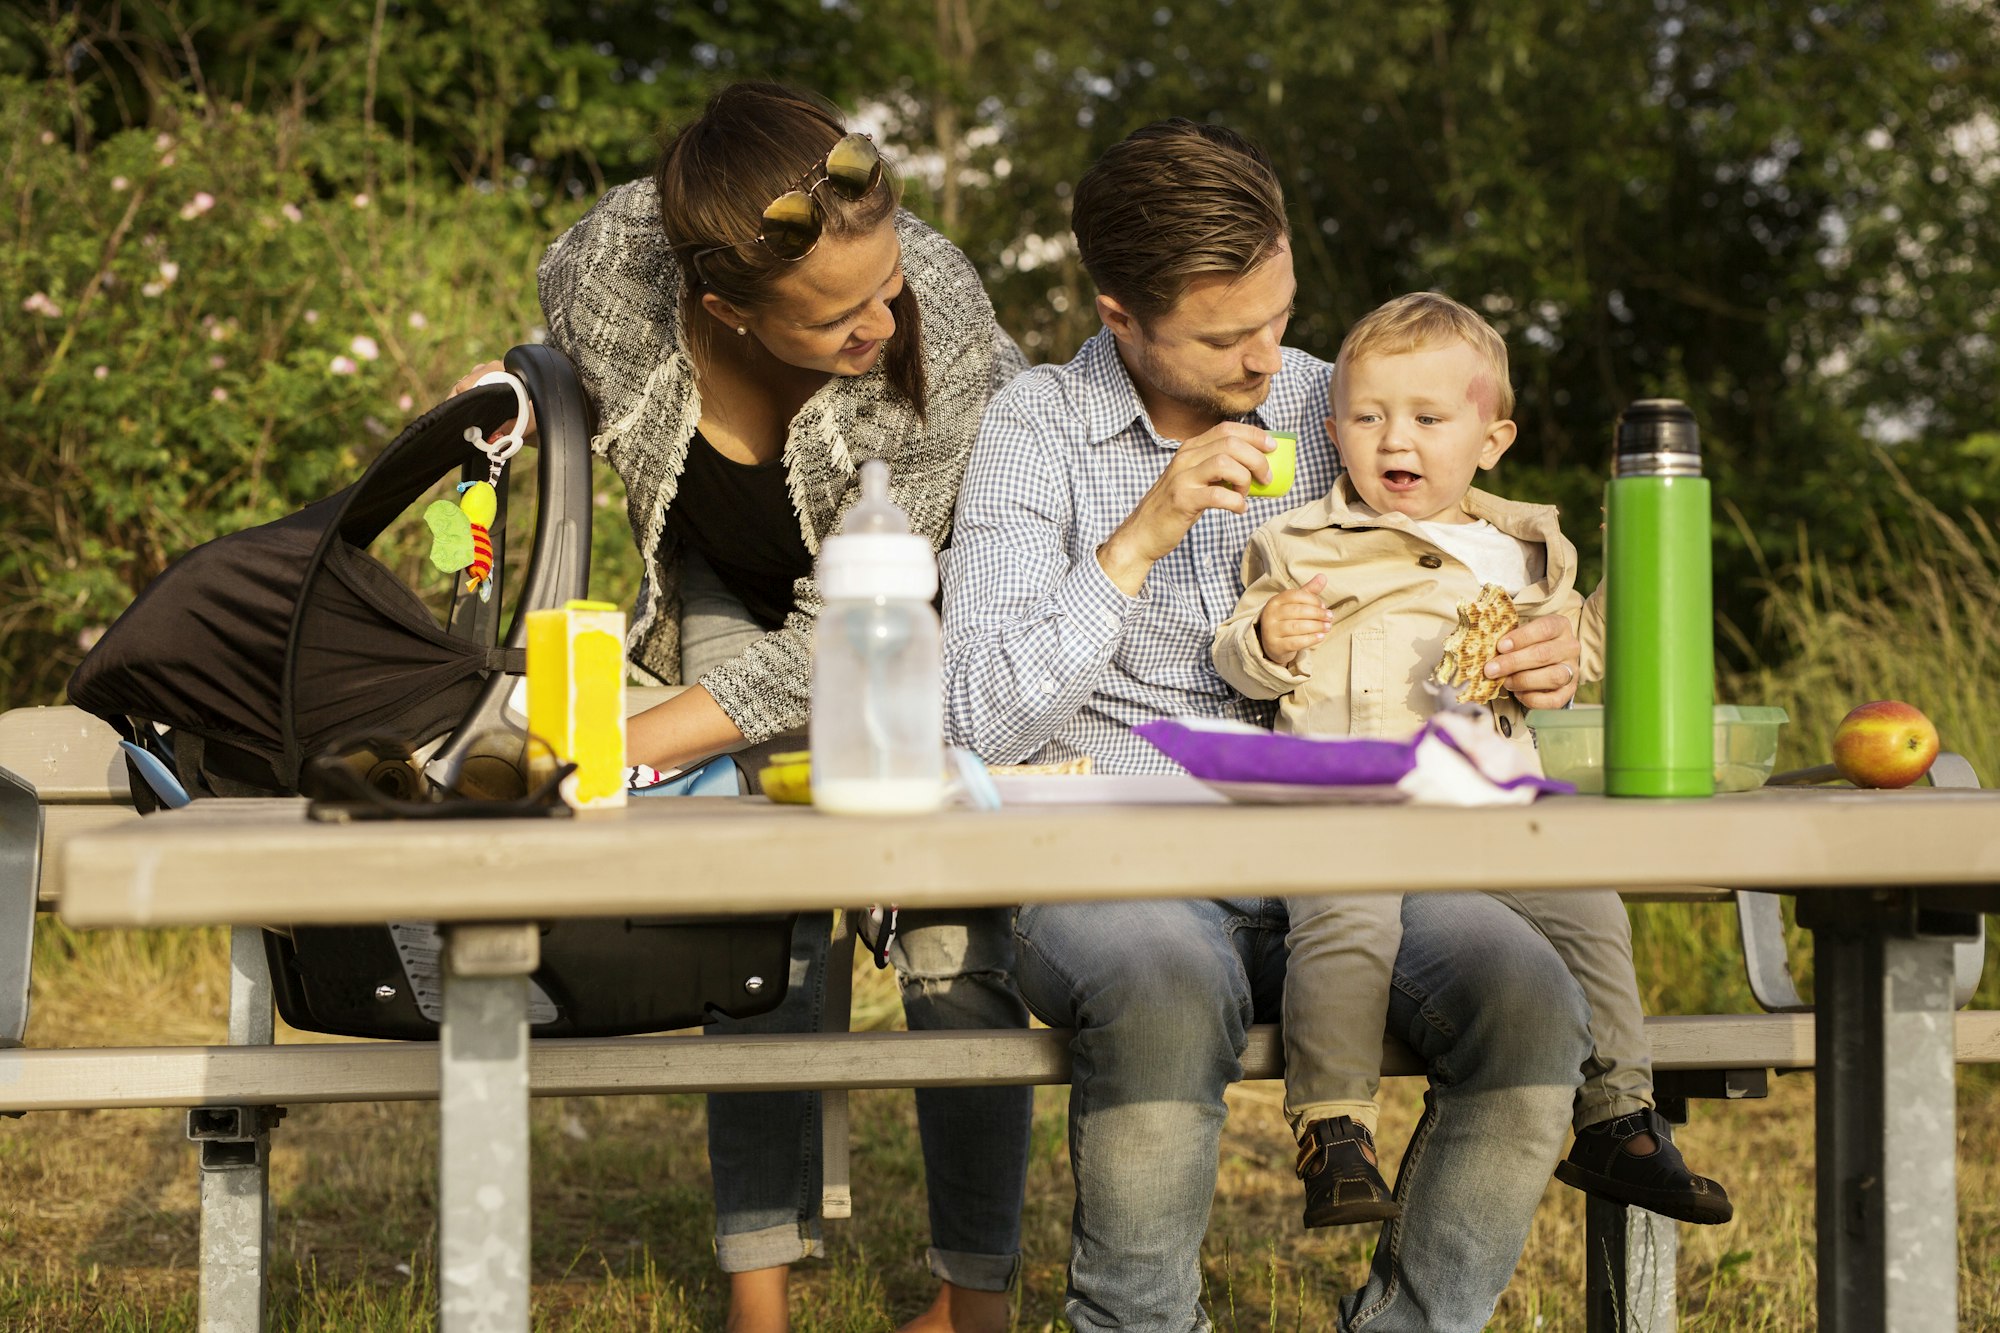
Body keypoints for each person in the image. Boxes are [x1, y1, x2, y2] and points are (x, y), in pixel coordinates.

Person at [940, 118, 1593, 1332]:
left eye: (1278, 312)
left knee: (1529, 993)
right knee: (1164, 980)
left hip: (1352, 856)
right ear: (1120, 316)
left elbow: (1479, 577)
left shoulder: (1343, 406)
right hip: (1112, 860)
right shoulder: (1035, 429)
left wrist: (1543, 646)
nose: (1268, 357)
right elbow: (973, 716)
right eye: (1225, 335)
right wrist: (1135, 540)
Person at [462, 83, 1034, 1333]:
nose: (884, 320)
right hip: (725, 573)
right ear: (723, 306)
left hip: (906, 601)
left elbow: (848, 633)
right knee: (758, 909)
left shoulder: (944, 323)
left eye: (887, 286)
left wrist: (611, 747)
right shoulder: (611, 270)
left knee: (950, 931)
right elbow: (566, 359)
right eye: (838, 314)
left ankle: (971, 1299)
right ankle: (758, 1296)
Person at [1211, 291, 1733, 1231]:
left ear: (1492, 439)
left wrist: (1569, 647)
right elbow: (1239, 651)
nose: (1392, 439)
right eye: (1367, 417)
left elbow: (1587, 663)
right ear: (1335, 431)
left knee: (1589, 909)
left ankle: (1619, 1118)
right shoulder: (1301, 543)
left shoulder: (1526, 557)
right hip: (1350, 805)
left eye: (1425, 417)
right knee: (1343, 919)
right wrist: (1271, 637)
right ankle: (1334, 1129)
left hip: (1491, 807)